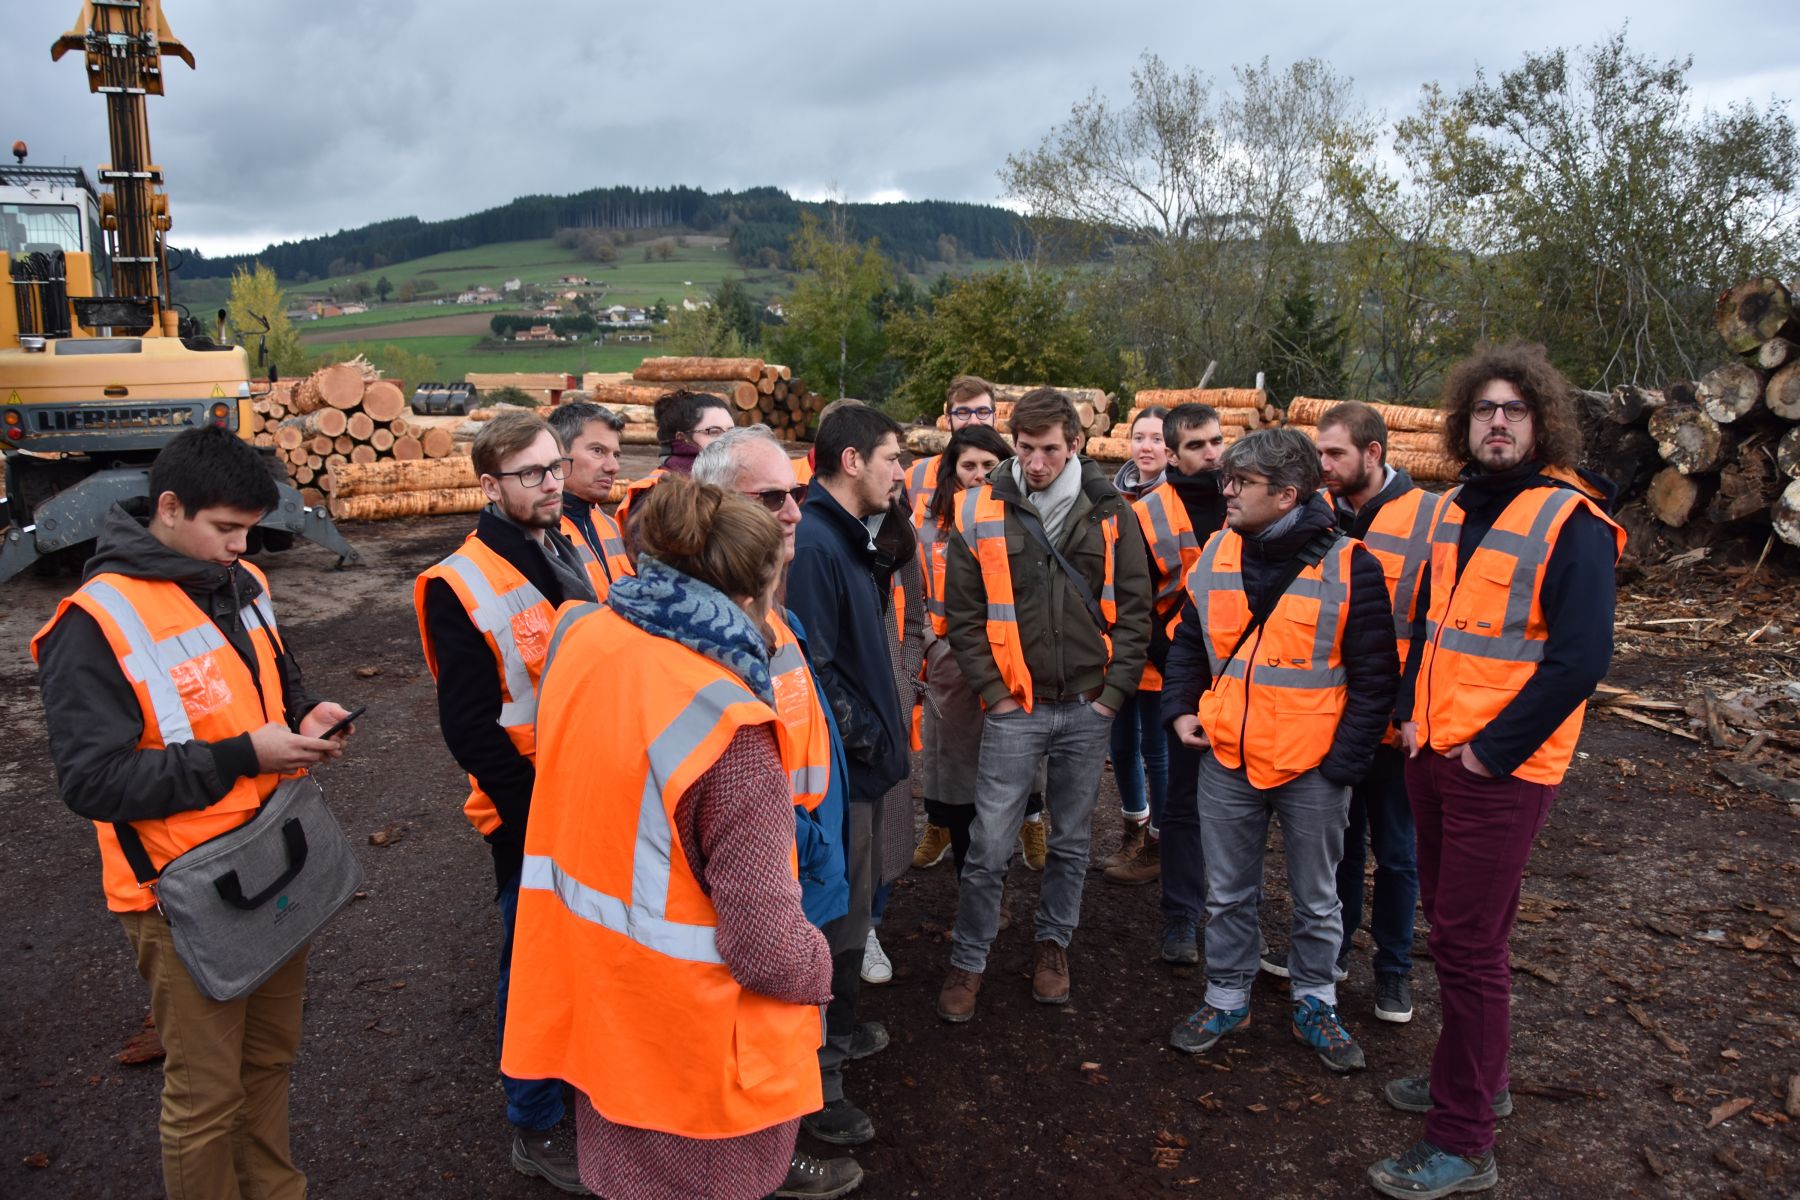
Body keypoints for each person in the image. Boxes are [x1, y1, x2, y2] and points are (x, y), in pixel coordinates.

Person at [502, 475, 858, 1200]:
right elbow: (768, 952)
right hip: (694, 1064)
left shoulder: (588, 636)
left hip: (603, 1019)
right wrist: (824, 972)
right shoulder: (729, 728)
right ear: (756, 589)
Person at [33, 425, 357, 1200]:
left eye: (250, 530)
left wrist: (309, 716)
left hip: (273, 857)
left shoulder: (242, 585)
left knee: (269, 1061)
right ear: (169, 507)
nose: (241, 547)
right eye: (225, 529)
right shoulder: (94, 622)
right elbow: (93, 783)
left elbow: (279, 685)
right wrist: (245, 756)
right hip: (180, 893)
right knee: (206, 1097)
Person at [1367, 344, 1622, 1200]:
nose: (1499, 422)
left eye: (1514, 410)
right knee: (1459, 930)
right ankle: (1474, 1077)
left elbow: (1581, 660)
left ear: (1542, 422)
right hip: (1433, 754)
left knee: (1469, 946)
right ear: (1464, 424)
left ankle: (1465, 1138)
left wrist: (1490, 753)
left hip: (1499, 771)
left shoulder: (1571, 522)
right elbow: (1429, 626)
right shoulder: (1449, 511)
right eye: (1485, 411)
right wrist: (1408, 718)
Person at [1162, 428, 1396, 1076]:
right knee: (1229, 892)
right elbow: (1187, 642)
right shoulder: (1216, 553)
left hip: (1312, 770)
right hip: (1228, 760)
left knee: (1318, 898)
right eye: (1226, 479)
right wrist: (1180, 710)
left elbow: (1377, 681)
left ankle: (1316, 1000)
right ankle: (1226, 995)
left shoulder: (1352, 566)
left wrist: (1341, 768)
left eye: (1242, 483)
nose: (1225, 491)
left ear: (1288, 493)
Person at [413, 409, 595, 1192]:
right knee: (531, 965)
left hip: (591, 794)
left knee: (582, 951)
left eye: (556, 468)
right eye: (533, 474)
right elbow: (471, 731)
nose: (554, 483)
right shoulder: (461, 583)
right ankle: (534, 1124)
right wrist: (534, 814)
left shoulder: (565, 542)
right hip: (531, 812)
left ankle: (573, 1086)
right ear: (490, 486)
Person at [936, 387, 1153, 1020]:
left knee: (1072, 841)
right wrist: (995, 695)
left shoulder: (1113, 512)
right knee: (989, 843)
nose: (1036, 464)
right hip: (1016, 709)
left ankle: (1053, 945)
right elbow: (964, 618)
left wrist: (1113, 698)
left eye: (1050, 451)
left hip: (1088, 705)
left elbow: (1135, 611)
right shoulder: (978, 510)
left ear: (1076, 445)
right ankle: (969, 959)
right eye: (1026, 450)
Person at [785, 403, 911, 1147]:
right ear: (854, 460)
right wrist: (865, 746)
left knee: (854, 914)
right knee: (832, 924)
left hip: (860, 771)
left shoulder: (847, 535)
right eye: (894, 458)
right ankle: (819, 1086)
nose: (903, 472)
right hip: (842, 778)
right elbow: (816, 668)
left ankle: (844, 1037)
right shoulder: (817, 545)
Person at [1315, 400, 1440, 1025]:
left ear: (1374, 454)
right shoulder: (1324, 515)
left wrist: (1410, 707)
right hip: (1337, 715)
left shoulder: (1431, 519)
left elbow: (1432, 627)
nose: (1325, 465)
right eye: (1320, 454)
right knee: (1340, 842)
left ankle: (1393, 973)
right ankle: (1333, 952)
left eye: (1336, 454)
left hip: (1395, 723)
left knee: (1397, 853)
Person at [1122, 403, 1228, 961]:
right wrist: (1182, 664)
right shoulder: (1147, 513)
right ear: (1171, 452)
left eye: (1216, 441)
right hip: (1182, 674)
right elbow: (1135, 606)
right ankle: (1181, 918)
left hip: (1250, 677)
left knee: (1241, 804)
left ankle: (1236, 916)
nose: (1210, 454)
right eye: (1195, 446)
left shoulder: (1247, 499)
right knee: (1184, 801)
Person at [913, 425, 1017, 873]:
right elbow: (912, 587)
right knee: (956, 773)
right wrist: (932, 644)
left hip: (1010, 659)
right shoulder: (931, 523)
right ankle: (965, 874)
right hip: (951, 661)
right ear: (952, 470)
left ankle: (999, 875)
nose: (978, 475)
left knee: (1007, 770)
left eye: (988, 466)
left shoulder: (1020, 517)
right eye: (968, 466)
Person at [1101, 405, 1172, 882]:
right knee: (1120, 744)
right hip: (1115, 640)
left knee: (1157, 748)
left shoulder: (1175, 500)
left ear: (1170, 448)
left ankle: (1160, 842)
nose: (1146, 446)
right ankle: (1134, 825)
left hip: (1158, 644)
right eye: (1139, 437)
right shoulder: (1112, 495)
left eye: (1156, 439)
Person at [614, 387, 736, 539]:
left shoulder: (735, 482)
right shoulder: (654, 494)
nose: (727, 440)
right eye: (713, 432)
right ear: (682, 438)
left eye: (731, 432)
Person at [547, 399, 634, 600]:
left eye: (616, 455)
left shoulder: (609, 525)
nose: (613, 467)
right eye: (598, 451)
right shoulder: (536, 535)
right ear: (558, 453)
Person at [904, 373, 999, 509]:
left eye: (983, 412)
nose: (973, 421)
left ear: (995, 419)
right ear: (948, 421)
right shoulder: (916, 477)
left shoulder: (1016, 476)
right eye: (963, 412)